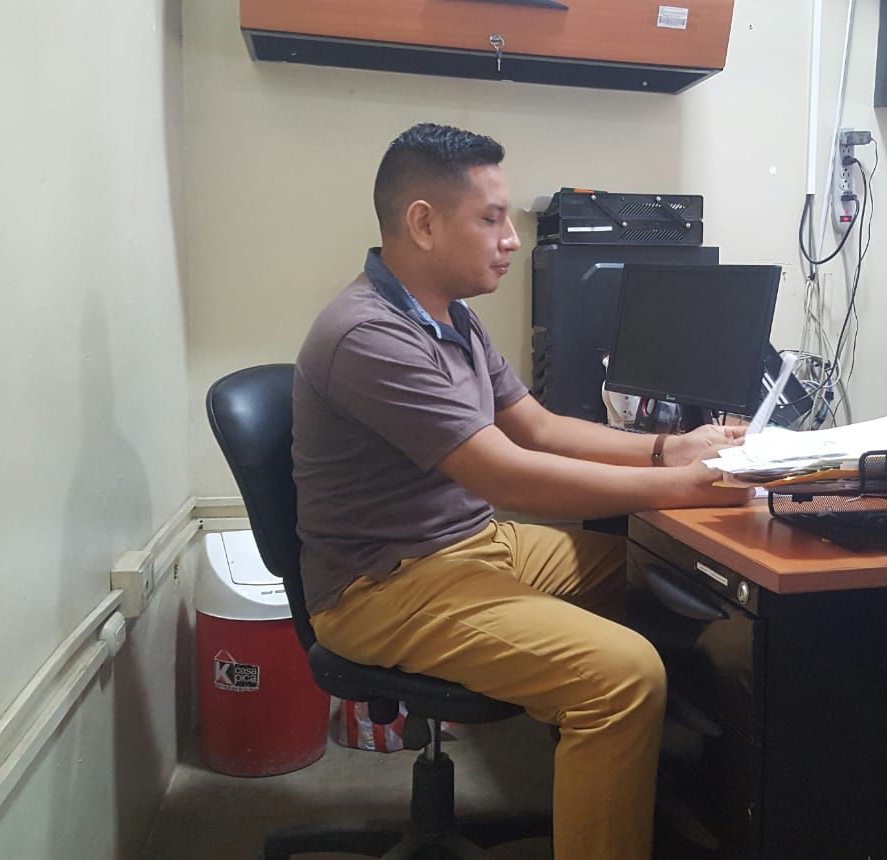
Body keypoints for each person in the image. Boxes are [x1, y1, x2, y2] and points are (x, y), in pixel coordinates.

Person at [292, 122, 752, 860]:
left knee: (668, 579)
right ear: (423, 223)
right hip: (382, 589)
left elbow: (537, 427)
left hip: (474, 548)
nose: (511, 239)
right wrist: (685, 487)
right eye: (491, 218)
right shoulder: (369, 335)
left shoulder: (454, 318)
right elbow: (506, 474)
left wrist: (671, 448)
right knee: (622, 676)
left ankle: (681, 803)